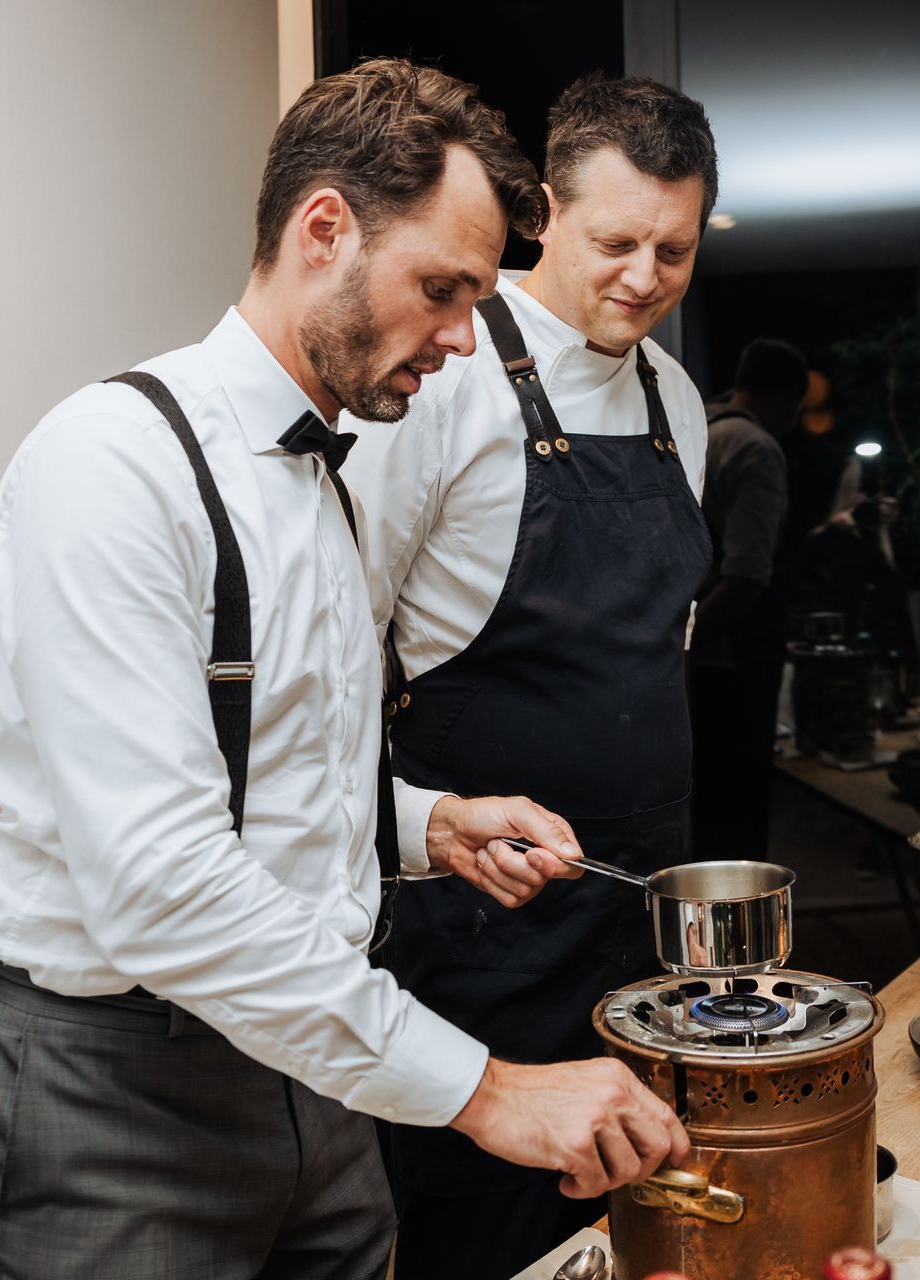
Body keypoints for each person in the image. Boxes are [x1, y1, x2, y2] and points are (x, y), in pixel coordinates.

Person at [0, 60, 686, 1280]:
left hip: (316, 1050)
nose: (463, 337)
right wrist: (485, 1087)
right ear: (324, 230)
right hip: (121, 1082)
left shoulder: (326, 474)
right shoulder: (111, 465)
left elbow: (271, 773)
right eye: (442, 289)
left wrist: (427, 824)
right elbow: (161, 882)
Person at [347, 73, 718, 1279]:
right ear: (544, 212)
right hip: (480, 929)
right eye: (616, 240)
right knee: (490, 1240)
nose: (644, 276)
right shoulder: (443, 377)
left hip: (639, 911)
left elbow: (667, 640)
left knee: (641, 1230)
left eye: (675, 247)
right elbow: (350, 646)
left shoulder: (679, 400)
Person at [689, 338, 808, 857]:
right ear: (790, 399)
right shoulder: (756, 449)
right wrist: (691, 642)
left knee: (702, 799)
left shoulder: (690, 429)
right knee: (738, 805)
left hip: (685, 654)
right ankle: (741, 923)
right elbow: (746, 575)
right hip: (731, 658)